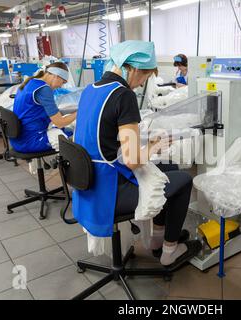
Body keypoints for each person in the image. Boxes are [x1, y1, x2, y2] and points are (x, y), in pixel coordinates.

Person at [73, 40, 201, 270]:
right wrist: (155, 146)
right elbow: (132, 160)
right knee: (183, 180)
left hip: (89, 184)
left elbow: (102, 138)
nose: (142, 85)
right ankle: (169, 251)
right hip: (109, 191)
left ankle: (156, 238)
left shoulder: (91, 90)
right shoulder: (123, 95)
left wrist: (148, 145)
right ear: (131, 68)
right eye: (144, 77)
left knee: (169, 167)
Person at [10, 62, 76, 153]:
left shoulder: (30, 82)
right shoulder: (44, 89)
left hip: (18, 139)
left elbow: (46, 111)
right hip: (31, 141)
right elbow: (60, 122)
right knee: (72, 136)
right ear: (56, 76)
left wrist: (72, 110)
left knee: (66, 130)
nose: (61, 86)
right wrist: (79, 112)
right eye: (63, 82)